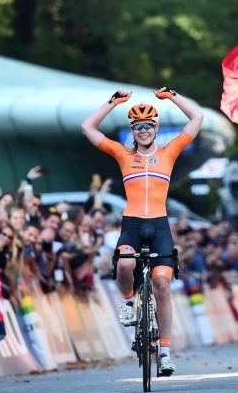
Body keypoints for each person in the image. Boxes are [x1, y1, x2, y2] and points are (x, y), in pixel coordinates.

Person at [81, 87, 203, 376]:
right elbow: (87, 126)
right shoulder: (123, 154)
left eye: (148, 125)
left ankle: (164, 352)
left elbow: (197, 117)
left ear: (156, 128)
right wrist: (112, 103)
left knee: (162, 287)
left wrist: (173, 97)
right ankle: (126, 302)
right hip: (132, 224)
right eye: (138, 127)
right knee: (124, 263)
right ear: (132, 131)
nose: (144, 130)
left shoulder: (169, 152)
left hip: (160, 226)